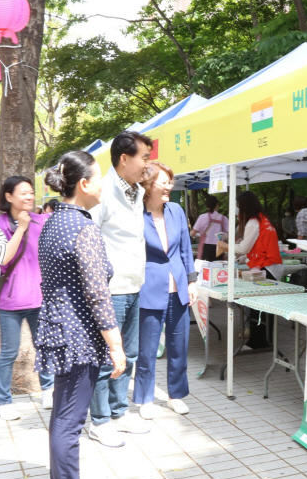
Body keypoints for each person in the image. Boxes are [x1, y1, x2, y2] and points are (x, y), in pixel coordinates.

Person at [36, 151, 126, 479]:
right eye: (99, 177)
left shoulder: (53, 222)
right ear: (84, 183)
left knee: (63, 418)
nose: (103, 184)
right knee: (69, 423)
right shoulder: (83, 227)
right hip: (79, 336)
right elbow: (97, 293)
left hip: (59, 328)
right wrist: (116, 346)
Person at [88, 130, 153, 447]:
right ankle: (99, 421)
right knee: (105, 357)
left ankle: (118, 414)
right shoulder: (102, 190)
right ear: (124, 158)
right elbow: (87, 237)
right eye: (144, 158)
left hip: (133, 286)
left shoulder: (137, 191)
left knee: (128, 355)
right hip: (109, 291)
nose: (148, 165)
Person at [0, 176, 54, 420]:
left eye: (30, 192)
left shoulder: (43, 221)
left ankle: (48, 390)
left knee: (44, 347)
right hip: (10, 302)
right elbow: (2, 257)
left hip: (39, 298)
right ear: (8, 196)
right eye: (22, 192)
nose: (29, 196)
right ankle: (1, 401)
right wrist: (21, 228)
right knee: (9, 353)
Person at [135, 162, 198, 419]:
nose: (169, 187)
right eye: (164, 181)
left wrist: (192, 281)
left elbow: (185, 248)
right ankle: (144, 398)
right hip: (149, 286)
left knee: (179, 345)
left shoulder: (176, 211)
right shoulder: (135, 214)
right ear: (148, 185)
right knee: (147, 348)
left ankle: (176, 395)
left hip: (179, 286)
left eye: (171, 182)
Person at [217, 191, 283, 281]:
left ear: (245, 207)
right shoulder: (264, 219)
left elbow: (244, 248)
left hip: (267, 267)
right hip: (273, 266)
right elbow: (260, 245)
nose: (238, 210)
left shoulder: (253, 222)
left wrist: (225, 246)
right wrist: (244, 258)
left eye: (239, 207)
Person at [190, 195, 229, 261]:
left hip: (206, 248)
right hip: (219, 247)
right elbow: (229, 235)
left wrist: (198, 235)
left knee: (205, 268)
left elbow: (192, 233)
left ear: (207, 206)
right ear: (217, 205)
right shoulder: (223, 218)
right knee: (218, 268)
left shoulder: (202, 217)